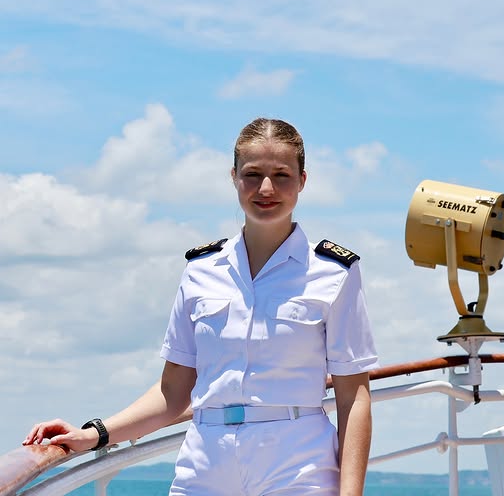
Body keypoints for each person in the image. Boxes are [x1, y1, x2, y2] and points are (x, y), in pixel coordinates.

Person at [24, 117, 378, 495]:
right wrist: (95, 434)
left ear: (303, 181)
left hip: (296, 463)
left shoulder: (334, 273)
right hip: (205, 465)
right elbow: (173, 391)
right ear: (234, 177)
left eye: (282, 175)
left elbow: (352, 395)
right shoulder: (201, 270)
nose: (267, 188)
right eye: (253, 174)